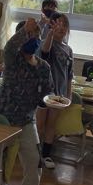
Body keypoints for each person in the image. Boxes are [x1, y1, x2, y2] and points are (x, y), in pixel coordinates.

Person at [0, 19, 54, 185]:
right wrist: (25, 30)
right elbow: (9, 47)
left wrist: (50, 100)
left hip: (27, 120)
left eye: (35, 36)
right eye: (28, 35)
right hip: (2, 117)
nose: (32, 39)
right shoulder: (13, 59)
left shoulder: (43, 67)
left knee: (34, 160)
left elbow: (48, 93)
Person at [37, 13, 73, 169]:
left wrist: (69, 95)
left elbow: (69, 75)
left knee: (51, 125)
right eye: (57, 24)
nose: (61, 28)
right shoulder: (46, 43)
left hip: (59, 94)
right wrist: (50, 34)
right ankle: (35, 154)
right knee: (39, 124)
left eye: (64, 25)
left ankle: (46, 155)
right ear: (51, 26)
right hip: (44, 91)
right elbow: (45, 52)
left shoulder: (68, 49)